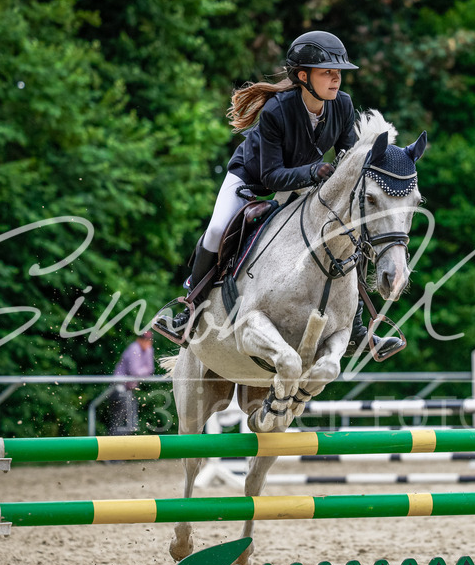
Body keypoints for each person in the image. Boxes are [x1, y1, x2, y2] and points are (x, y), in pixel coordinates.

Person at [153, 30, 402, 359]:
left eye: (338, 72)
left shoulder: (342, 105)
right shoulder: (277, 111)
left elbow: (346, 157)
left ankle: (358, 330)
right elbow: (271, 174)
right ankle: (190, 309)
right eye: (327, 72)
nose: (335, 79)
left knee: (344, 235)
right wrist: (314, 172)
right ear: (303, 76)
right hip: (252, 180)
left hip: (303, 183)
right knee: (216, 229)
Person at [108, 330, 155, 435]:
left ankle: (121, 445)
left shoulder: (148, 350)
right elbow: (135, 371)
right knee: (119, 421)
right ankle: (112, 445)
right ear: (139, 339)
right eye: (145, 340)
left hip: (128, 389)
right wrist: (145, 370)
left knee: (131, 422)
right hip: (118, 388)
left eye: (149, 340)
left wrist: (144, 369)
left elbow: (150, 369)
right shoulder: (135, 348)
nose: (147, 342)